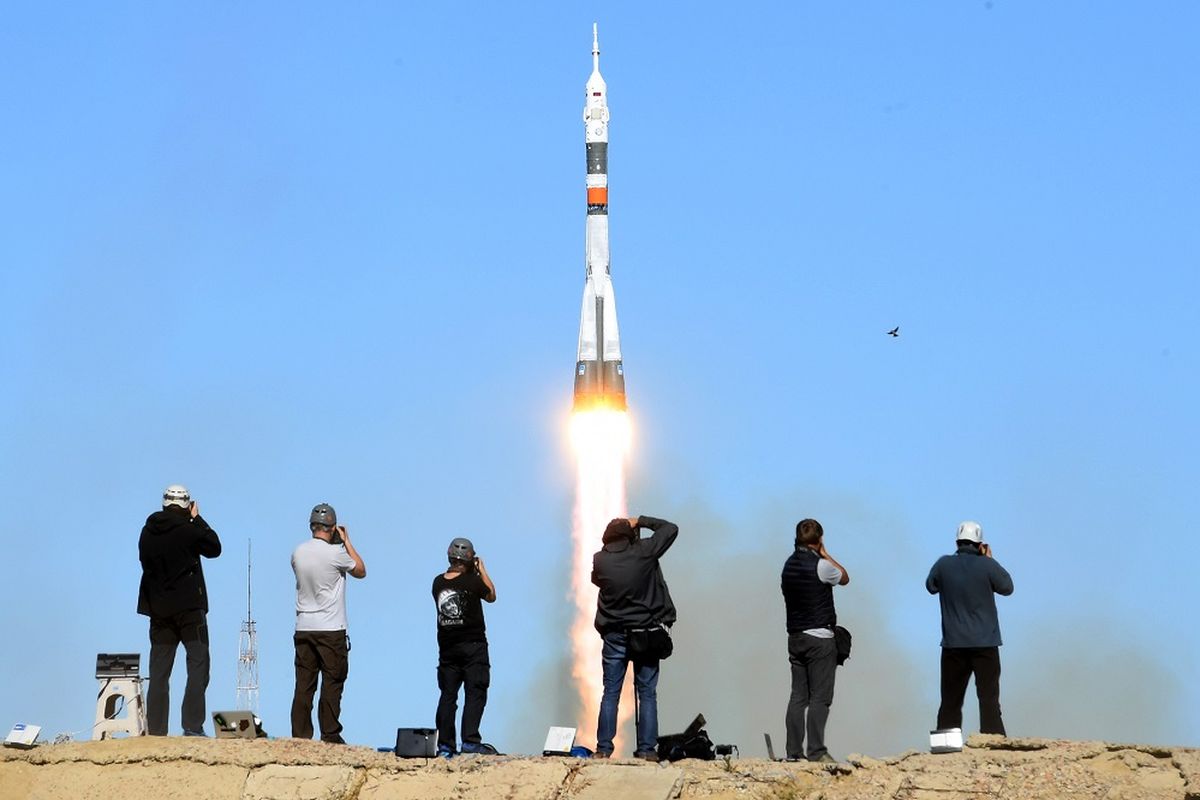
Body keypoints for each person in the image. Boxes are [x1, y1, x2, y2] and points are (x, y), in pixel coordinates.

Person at [591, 515, 679, 761]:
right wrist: (640, 520)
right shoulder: (644, 552)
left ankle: (604, 749)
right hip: (646, 634)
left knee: (611, 692)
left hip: (614, 636)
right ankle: (647, 750)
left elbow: (597, 579)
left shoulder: (600, 560)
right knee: (647, 693)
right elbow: (671, 528)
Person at [137, 484, 222, 736]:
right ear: (187, 504)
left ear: (164, 503)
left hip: (159, 612)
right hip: (189, 611)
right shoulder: (188, 530)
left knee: (159, 673)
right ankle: (192, 726)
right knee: (198, 666)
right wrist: (198, 519)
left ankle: (157, 731)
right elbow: (214, 547)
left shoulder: (147, 532)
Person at [926, 520, 1013, 736]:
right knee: (988, 698)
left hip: (954, 645)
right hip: (985, 644)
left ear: (957, 542)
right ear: (980, 544)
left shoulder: (943, 564)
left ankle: (945, 744)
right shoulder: (987, 565)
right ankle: (992, 740)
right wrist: (991, 560)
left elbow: (930, 586)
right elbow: (1007, 587)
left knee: (951, 700)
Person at [290, 503, 366, 744]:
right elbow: (361, 570)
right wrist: (346, 542)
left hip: (304, 626)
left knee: (304, 684)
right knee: (332, 682)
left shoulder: (298, 552)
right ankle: (330, 734)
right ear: (332, 527)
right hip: (331, 628)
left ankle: (300, 735)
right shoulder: (336, 554)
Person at [780, 518, 851, 763]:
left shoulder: (787, 566)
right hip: (819, 639)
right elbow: (844, 577)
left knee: (798, 697)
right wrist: (825, 553)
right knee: (820, 697)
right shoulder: (821, 566)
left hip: (795, 636)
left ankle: (793, 752)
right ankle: (817, 752)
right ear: (818, 539)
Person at [432, 537, 498, 757]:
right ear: (470, 559)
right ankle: (470, 741)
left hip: (447, 649)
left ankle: (445, 745)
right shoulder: (472, 582)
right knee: (475, 692)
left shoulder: (438, 583)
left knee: (448, 696)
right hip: (474, 646)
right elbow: (491, 595)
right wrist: (482, 570)